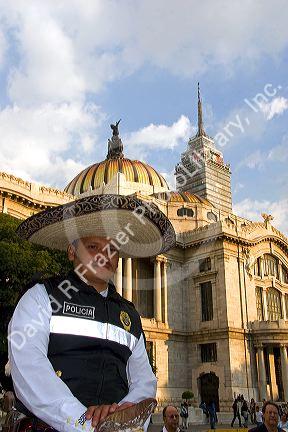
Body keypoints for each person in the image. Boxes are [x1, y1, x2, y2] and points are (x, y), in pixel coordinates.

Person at [8, 193, 176, 432]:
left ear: (118, 260)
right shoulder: (40, 297)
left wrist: (122, 418)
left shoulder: (129, 316)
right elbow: (28, 367)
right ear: (71, 252)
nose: (103, 255)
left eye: (112, 249)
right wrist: (84, 422)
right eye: (93, 246)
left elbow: (144, 381)